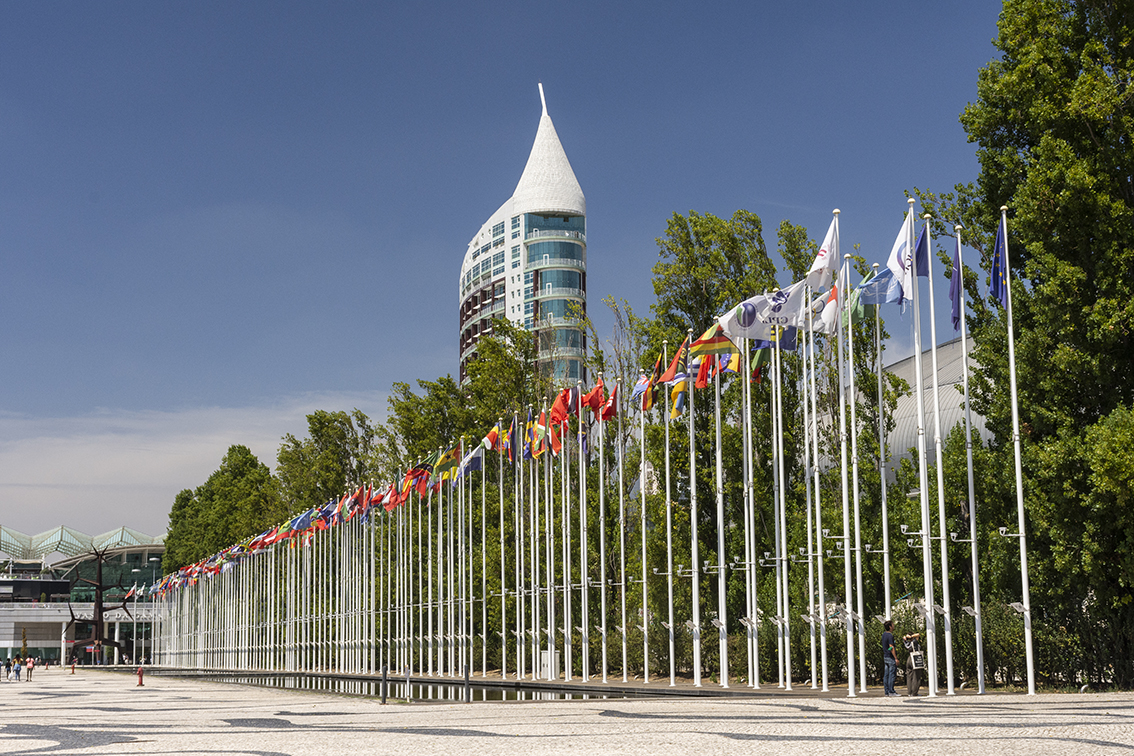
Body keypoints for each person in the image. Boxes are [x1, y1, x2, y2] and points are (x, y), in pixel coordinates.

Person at [882, 620, 898, 696]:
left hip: (885, 656)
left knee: (886, 674)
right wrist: (895, 658)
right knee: (892, 674)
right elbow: (891, 647)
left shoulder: (884, 635)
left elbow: (887, 647)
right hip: (890, 657)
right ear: (890, 627)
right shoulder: (890, 635)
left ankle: (887, 691)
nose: (894, 626)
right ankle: (891, 691)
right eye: (893, 625)